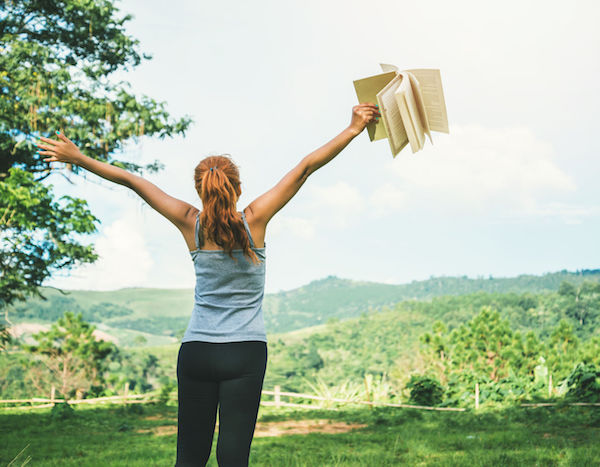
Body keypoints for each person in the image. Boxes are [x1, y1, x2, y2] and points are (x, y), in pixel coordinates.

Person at [36, 102, 381, 466]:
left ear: (200, 191)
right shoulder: (256, 220)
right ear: (238, 188)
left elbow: (132, 181)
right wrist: (353, 129)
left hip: (197, 351)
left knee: (190, 457)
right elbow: (305, 168)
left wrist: (78, 158)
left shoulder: (190, 223)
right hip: (246, 352)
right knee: (233, 459)